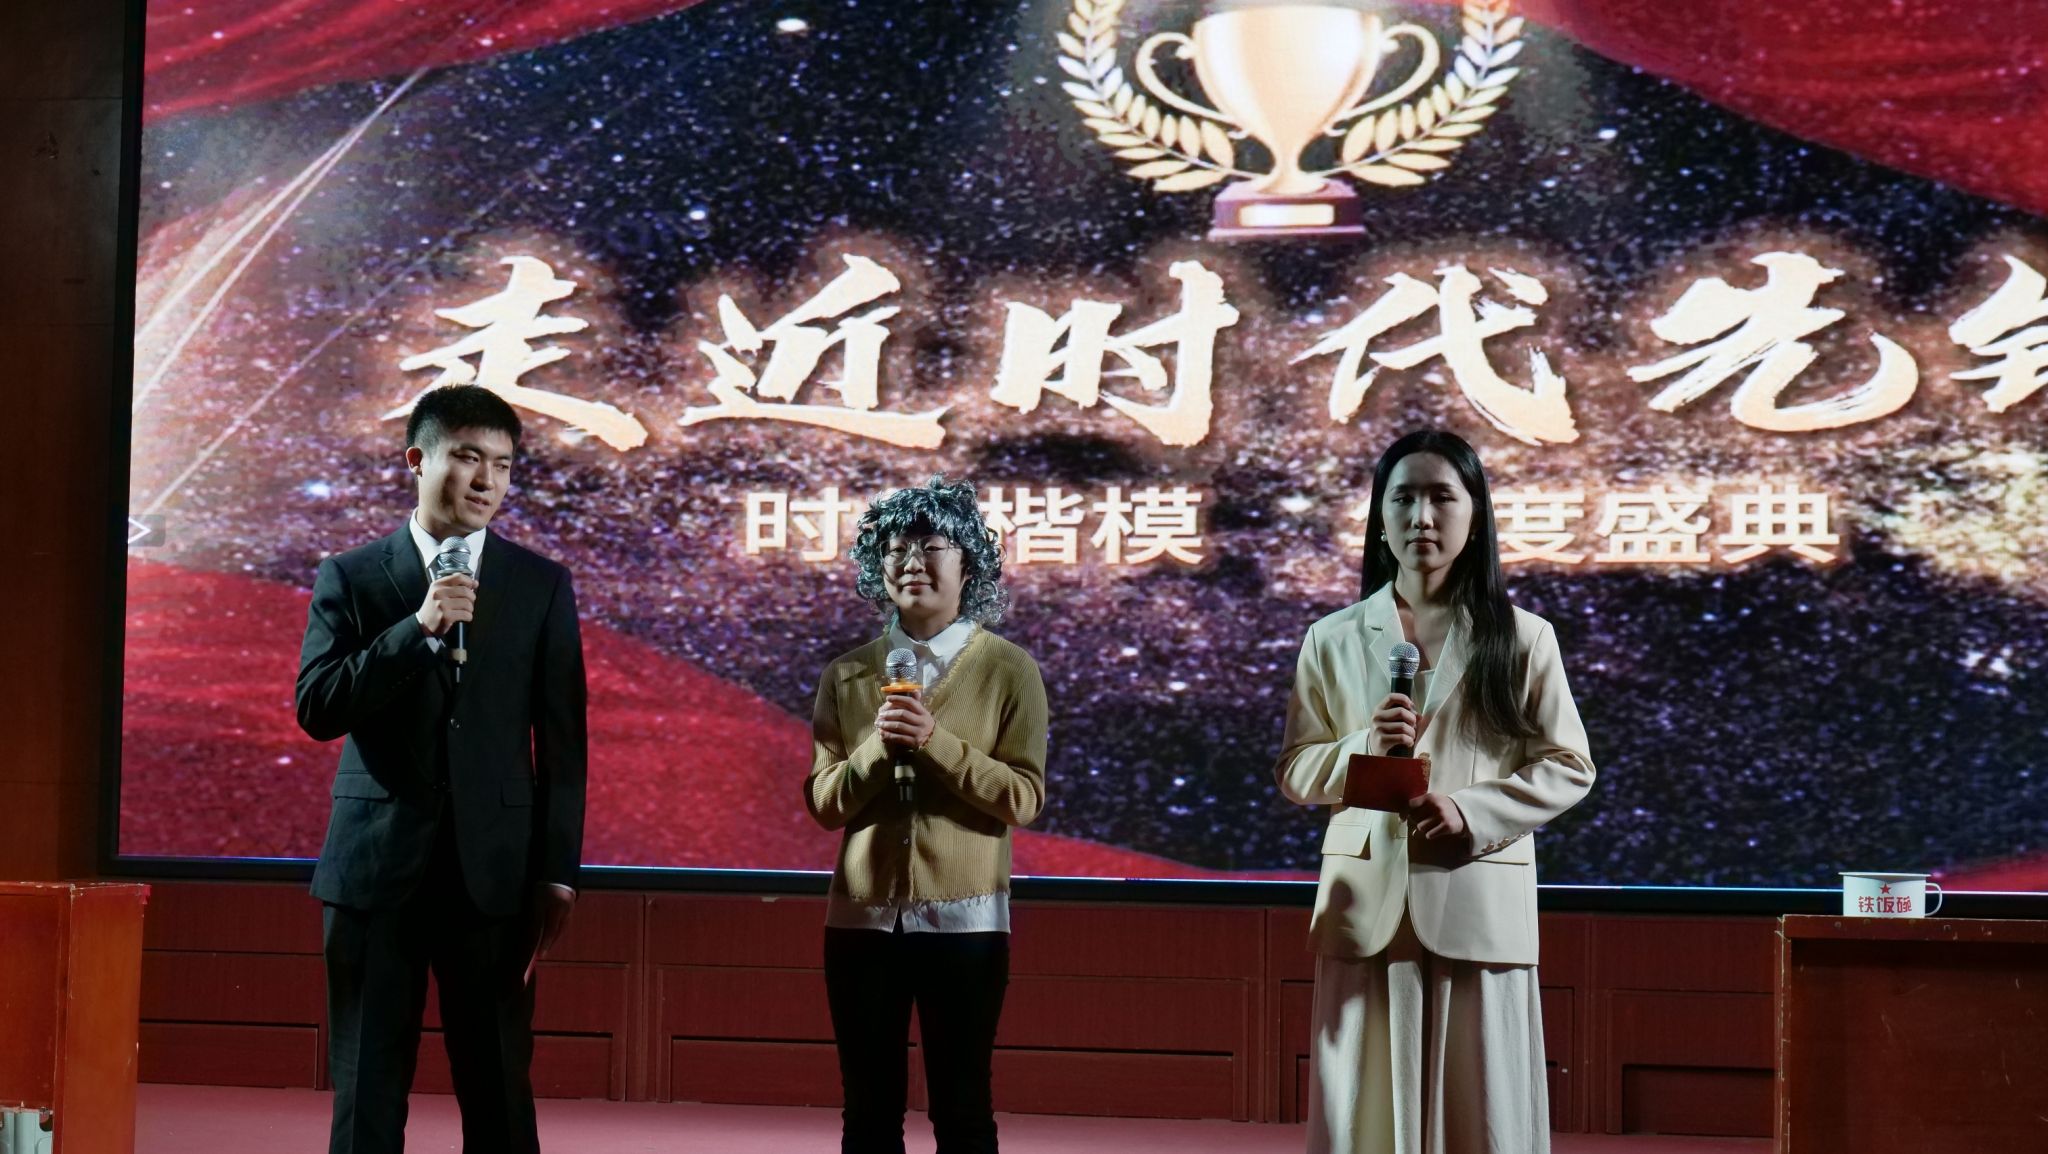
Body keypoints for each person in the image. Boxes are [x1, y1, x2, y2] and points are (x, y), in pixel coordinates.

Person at [1276, 430, 1595, 1154]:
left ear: (1475, 516)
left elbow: (1568, 765)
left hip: (1476, 894)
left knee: (1482, 1112)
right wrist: (1361, 745)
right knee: (1362, 1114)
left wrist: (1470, 811)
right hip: (1366, 905)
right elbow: (1296, 770)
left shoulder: (1523, 637)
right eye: (1404, 498)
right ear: (1379, 518)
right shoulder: (1331, 638)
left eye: (1442, 497)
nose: (1422, 516)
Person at [296, 385, 586, 1154]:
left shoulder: (540, 584)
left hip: (495, 875)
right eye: (466, 457)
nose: (486, 479)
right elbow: (317, 707)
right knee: (366, 1085)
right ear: (417, 461)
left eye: (502, 464)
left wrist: (557, 870)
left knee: (498, 1084)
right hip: (373, 871)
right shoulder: (352, 575)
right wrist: (417, 629)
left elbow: (563, 743)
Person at [804, 476, 1049, 1154]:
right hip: (860, 921)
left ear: (968, 565)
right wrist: (877, 750)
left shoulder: (1009, 670)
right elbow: (824, 804)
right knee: (867, 1115)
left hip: (966, 923)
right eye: (894, 548)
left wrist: (934, 743)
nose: (912, 561)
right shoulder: (847, 674)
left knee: (963, 1111)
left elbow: (1024, 797)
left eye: (932, 546)